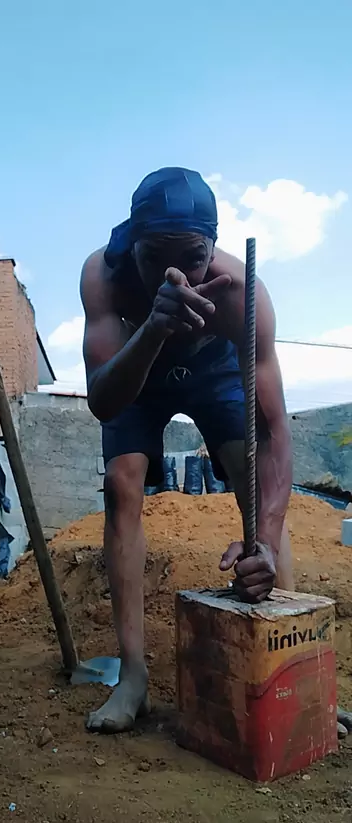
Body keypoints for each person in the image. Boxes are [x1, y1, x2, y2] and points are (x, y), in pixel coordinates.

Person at [79, 167, 338, 736]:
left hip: (213, 369)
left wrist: (264, 537)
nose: (175, 273)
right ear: (133, 243)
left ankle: (289, 659)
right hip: (136, 364)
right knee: (121, 484)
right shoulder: (104, 275)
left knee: (252, 478)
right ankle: (133, 678)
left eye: (193, 257)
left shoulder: (241, 293)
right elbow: (103, 401)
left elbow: (274, 430)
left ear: (212, 247)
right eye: (155, 257)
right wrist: (152, 329)